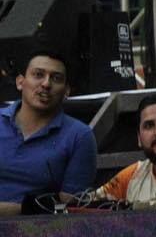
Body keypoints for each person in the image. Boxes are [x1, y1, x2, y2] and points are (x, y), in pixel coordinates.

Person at [0, 48, 97, 215]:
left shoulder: (79, 136)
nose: (46, 84)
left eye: (56, 78)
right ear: (20, 82)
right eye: (38, 75)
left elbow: (70, 211)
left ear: (67, 91)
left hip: (42, 234)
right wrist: (27, 209)